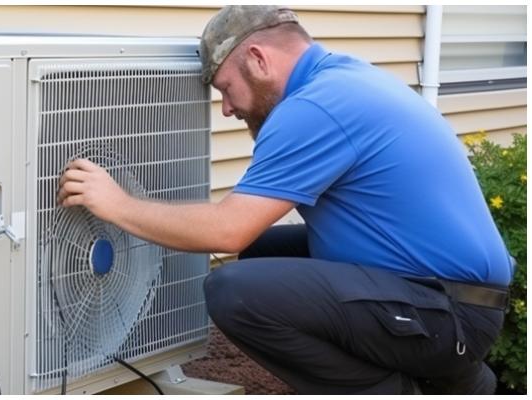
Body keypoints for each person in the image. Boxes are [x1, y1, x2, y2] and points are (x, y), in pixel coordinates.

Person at [57, 5, 512, 395]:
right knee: (258, 254)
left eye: (225, 89)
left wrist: (115, 204)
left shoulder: (315, 108)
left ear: (257, 59)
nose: (229, 109)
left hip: (449, 312)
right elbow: (245, 237)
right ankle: (461, 384)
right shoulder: (345, 78)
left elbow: (226, 228)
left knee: (234, 291)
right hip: (446, 293)